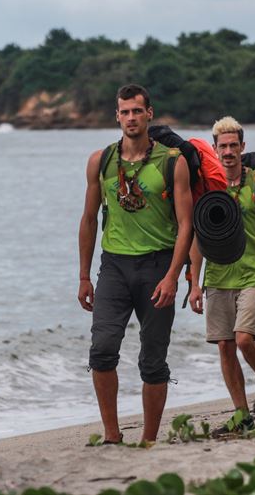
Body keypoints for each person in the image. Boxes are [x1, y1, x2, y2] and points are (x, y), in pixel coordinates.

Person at [77, 84, 193, 444]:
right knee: (102, 349)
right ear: (117, 116)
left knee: (153, 359)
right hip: (114, 267)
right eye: (124, 111)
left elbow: (187, 224)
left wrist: (174, 275)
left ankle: (149, 440)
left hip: (157, 267)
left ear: (149, 114)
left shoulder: (173, 161)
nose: (131, 117)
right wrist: (83, 276)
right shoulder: (102, 161)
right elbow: (89, 218)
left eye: (136, 111)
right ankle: (112, 436)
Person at [188, 116, 255, 432]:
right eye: (222, 146)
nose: (228, 151)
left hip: (253, 273)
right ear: (214, 150)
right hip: (217, 277)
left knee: (244, 339)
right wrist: (194, 284)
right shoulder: (206, 188)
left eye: (233, 145)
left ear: (242, 147)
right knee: (225, 346)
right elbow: (199, 238)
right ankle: (242, 413)